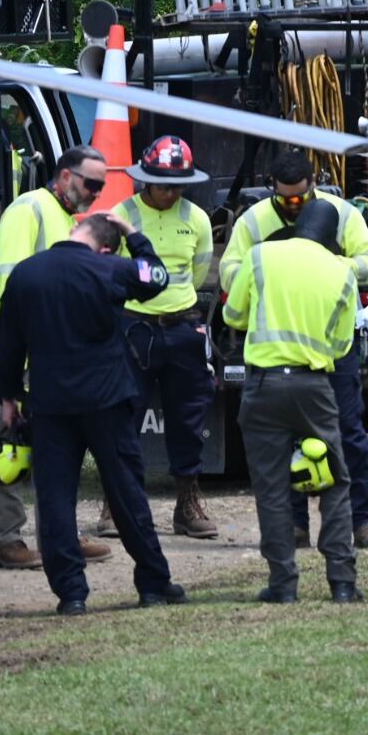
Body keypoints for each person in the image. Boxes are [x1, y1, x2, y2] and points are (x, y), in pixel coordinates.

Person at [0, 212, 187, 616]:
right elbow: (158, 277)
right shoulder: (109, 268)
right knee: (126, 493)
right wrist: (135, 235)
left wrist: (9, 397)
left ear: (72, 233)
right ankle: (153, 582)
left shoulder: (26, 274)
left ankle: (71, 595)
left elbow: (7, 341)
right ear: (105, 248)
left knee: (57, 500)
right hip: (107, 401)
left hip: (49, 406)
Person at [220, 149, 368, 550]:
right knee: (286, 440)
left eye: (301, 198)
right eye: (285, 200)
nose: (293, 206)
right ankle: (295, 525)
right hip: (281, 347)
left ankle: (365, 520)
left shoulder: (340, 213)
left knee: (348, 434)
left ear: (314, 185)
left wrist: (332, 267)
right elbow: (230, 269)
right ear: (272, 190)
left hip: (333, 347)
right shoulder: (254, 221)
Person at [0, 145, 114, 571]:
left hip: (49, 356)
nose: (96, 193)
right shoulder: (30, 209)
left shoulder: (60, 216)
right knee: (9, 447)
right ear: (64, 176)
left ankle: (58, 533)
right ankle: (4, 539)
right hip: (20, 354)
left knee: (56, 450)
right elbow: (13, 285)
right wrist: (16, 359)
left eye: (102, 186)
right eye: (91, 184)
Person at [223, 202, 362, 604]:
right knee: (334, 480)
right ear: (332, 239)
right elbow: (342, 344)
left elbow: (233, 316)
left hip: (263, 386)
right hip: (313, 386)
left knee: (271, 487)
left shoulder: (261, 255)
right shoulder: (342, 271)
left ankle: (283, 585)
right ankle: (342, 582)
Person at [108, 135, 219, 540]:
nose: (170, 193)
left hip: (183, 329)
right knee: (122, 416)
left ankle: (187, 505)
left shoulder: (197, 218)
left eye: (177, 186)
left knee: (188, 420)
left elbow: (199, 270)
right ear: (144, 181)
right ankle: (114, 504)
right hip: (133, 330)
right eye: (162, 185)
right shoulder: (122, 216)